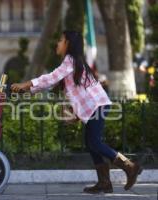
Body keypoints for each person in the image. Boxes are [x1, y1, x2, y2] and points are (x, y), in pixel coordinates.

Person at [11, 30, 142, 194]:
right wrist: (28, 90)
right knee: (91, 143)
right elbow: (52, 83)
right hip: (95, 106)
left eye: (60, 40)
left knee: (95, 142)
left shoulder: (70, 61)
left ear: (68, 44)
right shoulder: (71, 63)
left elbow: (51, 78)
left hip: (97, 105)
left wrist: (26, 84)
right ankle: (104, 183)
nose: (57, 43)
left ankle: (129, 166)